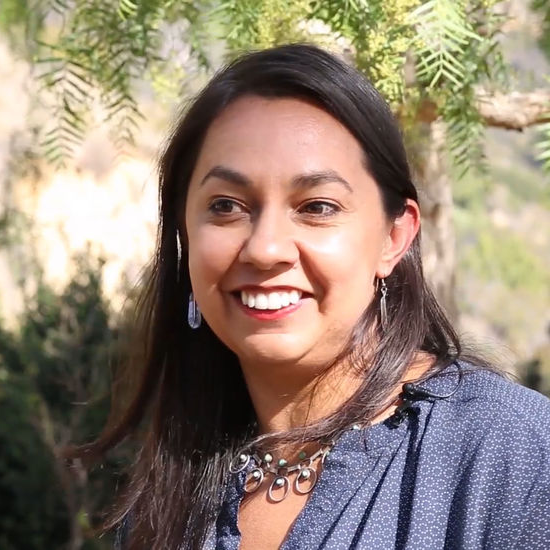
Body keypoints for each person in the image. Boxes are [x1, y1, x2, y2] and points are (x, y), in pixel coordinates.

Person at [82, 44, 550, 549]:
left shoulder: (512, 454)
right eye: (226, 206)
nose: (265, 249)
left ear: (394, 237)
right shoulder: (172, 494)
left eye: (317, 206)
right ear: (184, 234)